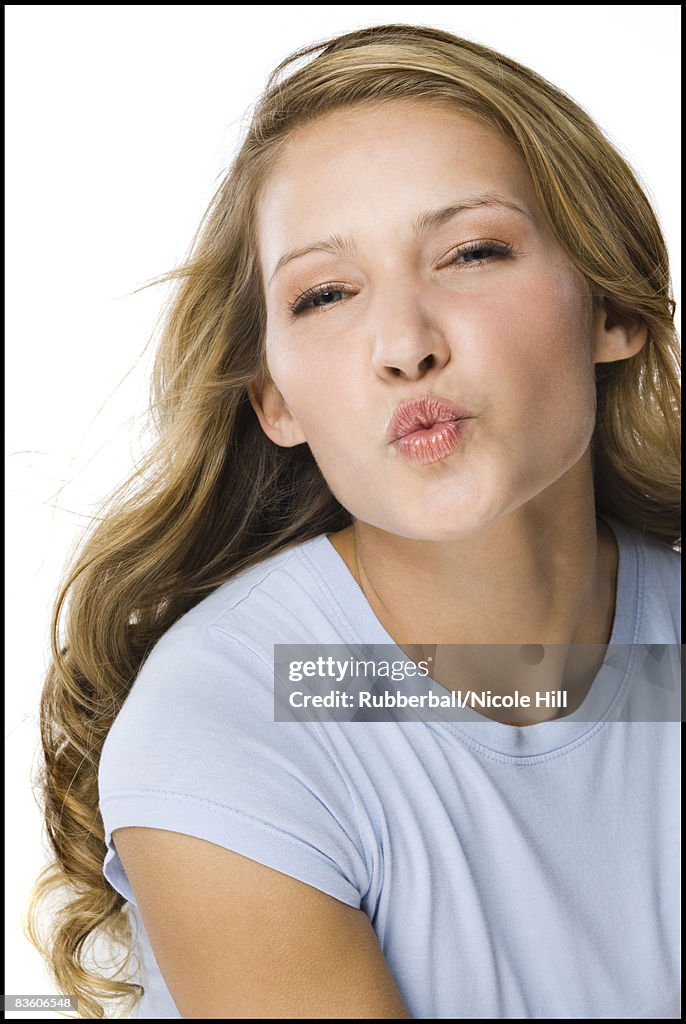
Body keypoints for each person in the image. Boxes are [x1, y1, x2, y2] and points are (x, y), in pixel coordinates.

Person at [26, 23, 680, 1020]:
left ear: (610, 308)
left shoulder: (660, 667)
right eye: (325, 292)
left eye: (469, 252)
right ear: (273, 399)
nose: (403, 344)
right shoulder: (236, 715)